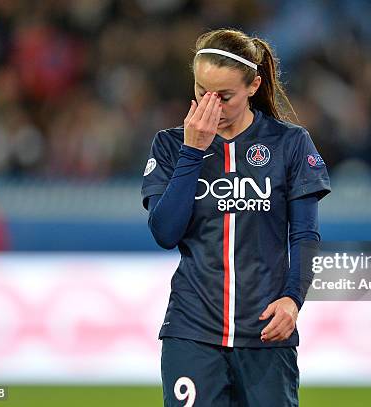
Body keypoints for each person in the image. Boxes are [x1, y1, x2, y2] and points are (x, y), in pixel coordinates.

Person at [141, 28, 330, 407]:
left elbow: (305, 235)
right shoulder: (170, 145)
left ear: (253, 86)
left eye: (224, 97)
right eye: (200, 92)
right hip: (192, 330)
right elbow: (165, 232)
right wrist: (193, 153)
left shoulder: (289, 143)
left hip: (264, 334)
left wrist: (293, 299)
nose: (211, 107)